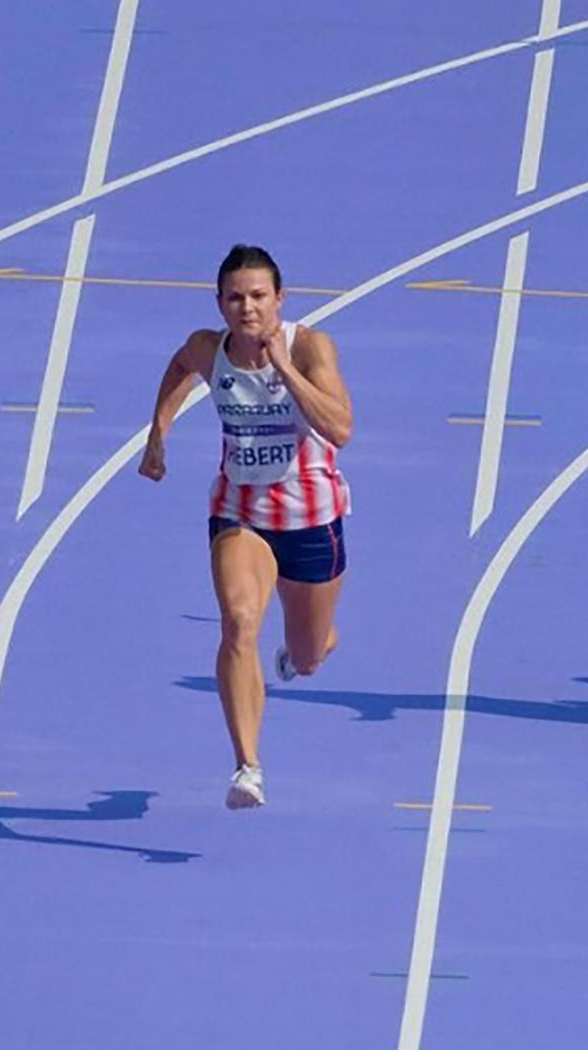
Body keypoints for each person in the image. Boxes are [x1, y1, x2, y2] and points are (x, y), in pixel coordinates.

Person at [139, 245, 351, 808]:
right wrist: (158, 430)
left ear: (280, 299)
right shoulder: (211, 349)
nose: (247, 308)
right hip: (241, 511)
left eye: (258, 296)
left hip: (310, 517)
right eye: (235, 298)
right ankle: (247, 767)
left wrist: (284, 369)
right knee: (238, 621)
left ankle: (306, 647)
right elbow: (181, 364)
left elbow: (342, 427)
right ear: (220, 303)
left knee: (307, 657)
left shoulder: (310, 347)